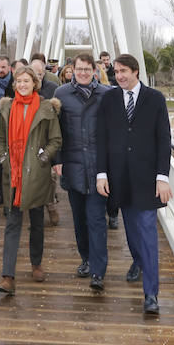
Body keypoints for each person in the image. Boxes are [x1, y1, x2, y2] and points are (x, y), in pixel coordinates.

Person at [96, 54, 172, 315]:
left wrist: (163, 178)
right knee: (131, 231)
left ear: (136, 71)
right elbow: (102, 139)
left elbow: (164, 140)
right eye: (116, 72)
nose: (119, 76)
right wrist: (101, 174)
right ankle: (138, 261)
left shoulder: (155, 99)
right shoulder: (109, 99)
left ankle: (151, 294)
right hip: (119, 178)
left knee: (148, 234)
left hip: (147, 179)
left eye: (124, 71)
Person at [0, 66, 62, 295]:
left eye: (26, 81)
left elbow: (55, 139)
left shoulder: (46, 108)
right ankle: (7, 276)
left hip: (37, 174)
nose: (22, 85)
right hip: (13, 174)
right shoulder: (7, 108)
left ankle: (36, 264)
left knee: (36, 222)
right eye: (19, 81)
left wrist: (43, 157)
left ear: (35, 83)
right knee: (12, 224)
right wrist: (5, 159)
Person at [54, 54, 109, 292]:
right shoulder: (61, 94)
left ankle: (98, 270)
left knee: (96, 219)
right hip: (73, 164)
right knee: (79, 219)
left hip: (98, 168)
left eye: (88, 69)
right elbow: (54, 131)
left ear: (95, 71)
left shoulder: (106, 95)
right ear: (72, 70)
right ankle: (85, 258)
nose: (84, 73)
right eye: (80, 69)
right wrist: (57, 160)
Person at [30, 56, 60, 226]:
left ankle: (51, 206)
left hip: (47, 139)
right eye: (35, 73)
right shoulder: (24, 87)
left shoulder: (53, 89)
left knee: (49, 177)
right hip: (29, 141)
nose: (38, 76)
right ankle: (37, 214)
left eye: (41, 73)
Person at [0, 55, 15, 207]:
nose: (0, 70)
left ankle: (11, 194)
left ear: (9, 68)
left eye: (3, 67)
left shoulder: (16, 84)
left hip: (11, 129)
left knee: (11, 163)